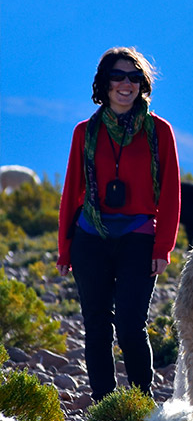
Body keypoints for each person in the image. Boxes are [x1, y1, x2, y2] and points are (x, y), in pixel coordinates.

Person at [56, 47, 181, 402]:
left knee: (130, 327)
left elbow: (171, 193)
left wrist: (164, 248)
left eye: (134, 77)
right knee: (96, 326)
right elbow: (71, 193)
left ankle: (140, 407)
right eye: (118, 76)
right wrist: (65, 249)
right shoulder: (86, 132)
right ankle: (104, 409)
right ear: (104, 83)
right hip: (90, 238)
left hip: (138, 238)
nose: (125, 84)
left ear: (142, 85)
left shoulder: (159, 131)